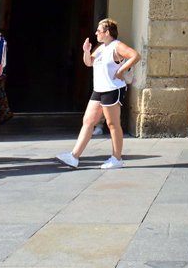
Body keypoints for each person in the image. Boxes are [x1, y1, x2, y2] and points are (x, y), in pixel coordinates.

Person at [56, 18, 140, 169]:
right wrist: (86, 51)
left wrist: (121, 70)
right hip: (99, 89)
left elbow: (135, 55)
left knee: (112, 124)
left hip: (113, 89)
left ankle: (117, 158)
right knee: (88, 121)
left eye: (99, 31)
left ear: (107, 32)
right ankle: (74, 156)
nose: (96, 33)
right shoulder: (101, 47)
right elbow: (89, 62)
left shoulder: (117, 46)